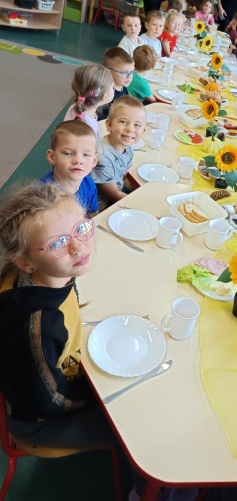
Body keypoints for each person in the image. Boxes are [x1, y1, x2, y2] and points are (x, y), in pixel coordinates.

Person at [0, 182, 118, 448]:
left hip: (60, 376)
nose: (78, 247)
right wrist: (97, 398)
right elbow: (50, 400)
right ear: (25, 262)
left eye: (80, 229)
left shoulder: (55, 275)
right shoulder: (38, 327)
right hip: (42, 423)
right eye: (59, 243)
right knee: (131, 428)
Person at [91, 96, 146, 209]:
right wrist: (142, 204)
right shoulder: (102, 155)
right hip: (100, 207)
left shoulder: (128, 148)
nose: (130, 129)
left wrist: (143, 193)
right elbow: (113, 195)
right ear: (109, 125)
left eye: (137, 125)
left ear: (143, 131)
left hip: (117, 197)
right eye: (123, 122)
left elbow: (124, 178)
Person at [40, 121, 98, 217]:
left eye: (86, 155)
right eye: (68, 153)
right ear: (52, 157)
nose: (78, 160)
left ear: (94, 160)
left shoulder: (88, 183)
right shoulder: (42, 197)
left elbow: (93, 215)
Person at [64, 64, 114, 138]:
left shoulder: (76, 106)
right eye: (112, 87)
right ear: (104, 96)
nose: (113, 90)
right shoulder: (88, 127)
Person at [97, 47, 135, 121]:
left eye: (131, 72)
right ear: (108, 71)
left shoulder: (123, 88)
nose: (129, 76)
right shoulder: (106, 94)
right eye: (124, 72)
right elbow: (101, 120)